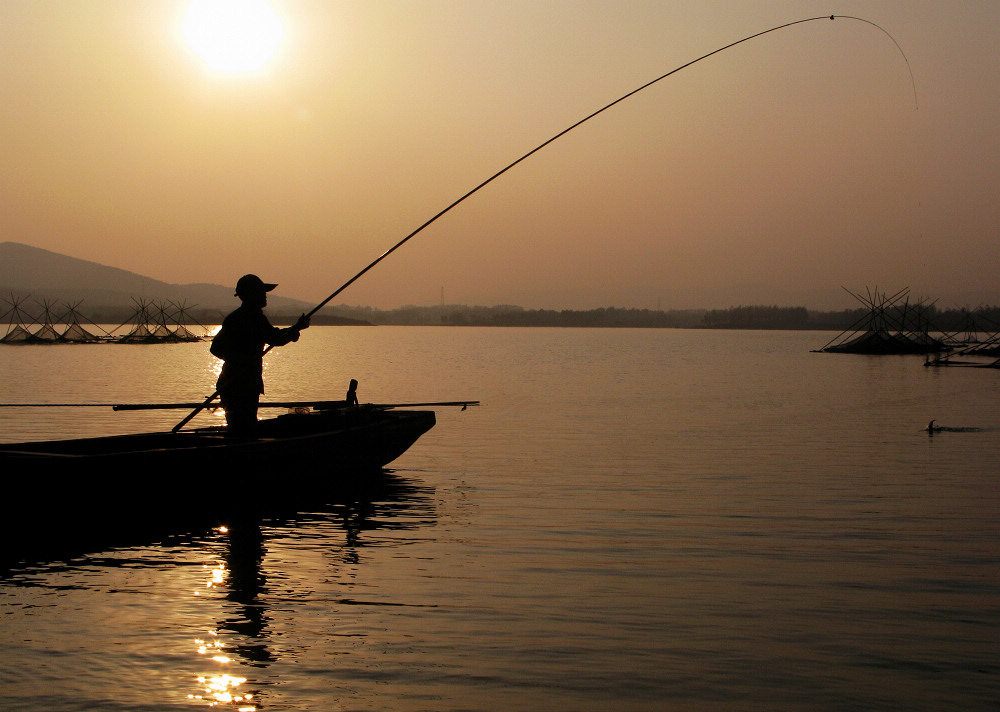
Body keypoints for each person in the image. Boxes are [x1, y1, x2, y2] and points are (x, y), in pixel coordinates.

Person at [210, 274, 310, 436]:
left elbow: (273, 336)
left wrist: (295, 329)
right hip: (240, 384)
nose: (265, 296)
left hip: (236, 383)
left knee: (241, 429)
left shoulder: (241, 317)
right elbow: (275, 338)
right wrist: (242, 362)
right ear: (251, 295)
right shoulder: (250, 318)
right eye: (261, 292)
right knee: (243, 431)